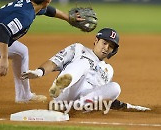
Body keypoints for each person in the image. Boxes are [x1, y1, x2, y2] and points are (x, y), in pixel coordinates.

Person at [0, 0, 82, 103]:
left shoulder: (30, 4)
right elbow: (3, 30)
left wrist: (68, 18)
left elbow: (49, 11)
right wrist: (4, 58)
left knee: (21, 52)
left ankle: (24, 95)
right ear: (47, 0)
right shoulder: (26, 14)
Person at [21, 28, 151, 112]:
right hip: (65, 93)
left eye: (110, 46)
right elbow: (54, 62)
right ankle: (59, 87)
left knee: (115, 87)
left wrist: (129, 106)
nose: (106, 48)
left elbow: (101, 95)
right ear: (96, 40)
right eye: (104, 43)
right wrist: (40, 72)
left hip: (82, 103)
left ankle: (78, 106)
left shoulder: (108, 70)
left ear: (113, 51)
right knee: (85, 63)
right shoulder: (78, 49)